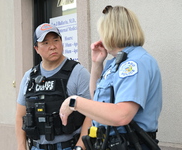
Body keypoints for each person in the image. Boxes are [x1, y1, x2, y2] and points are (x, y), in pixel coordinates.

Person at [59, 5, 162, 150]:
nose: (100, 38)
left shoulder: (134, 63)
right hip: (109, 142)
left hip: (130, 144)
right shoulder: (117, 62)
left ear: (112, 32)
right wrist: (97, 64)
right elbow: (97, 99)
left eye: (102, 32)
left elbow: (122, 115)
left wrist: (74, 102)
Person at [15, 23, 91, 150]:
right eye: (45, 43)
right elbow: (20, 115)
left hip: (68, 146)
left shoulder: (78, 72)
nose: (52, 46)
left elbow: (92, 113)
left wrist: (80, 147)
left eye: (56, 40)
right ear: (36, 49)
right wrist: (21, 146)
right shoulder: (29, 76)